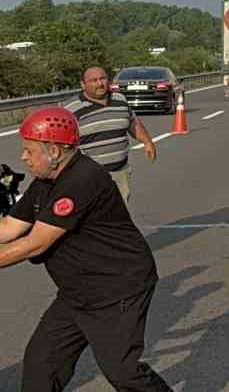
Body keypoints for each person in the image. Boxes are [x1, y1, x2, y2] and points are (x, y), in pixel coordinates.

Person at [1, 107, 171, 391]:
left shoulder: (81, 180)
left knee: (123, 372)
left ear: (54, 151)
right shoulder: (45, 182)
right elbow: (8, 227)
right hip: (77, 291)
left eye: (29, 150)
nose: (23, 157)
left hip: (116, 289)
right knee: (41, 366)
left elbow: (33, 245)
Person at [63, 67, 156, 205]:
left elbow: (132, 122)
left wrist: (147, 142)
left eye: (103, 79)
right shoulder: (71, 109)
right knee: (92, 215)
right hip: (88, 177)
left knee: (116, 215)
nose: (100, 84)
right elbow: (62, 143)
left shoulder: (120, 99)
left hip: (119, 173)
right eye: (93, 80)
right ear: (83, 84)